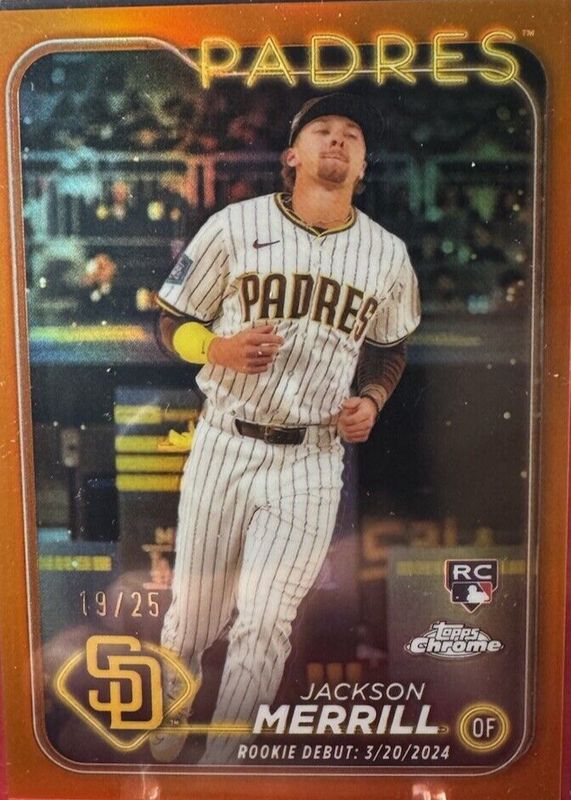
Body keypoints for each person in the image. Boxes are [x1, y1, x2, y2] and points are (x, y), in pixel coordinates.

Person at [150, 93, 421, 764]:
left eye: (351, 134)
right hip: (225, 440)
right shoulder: (234, 225)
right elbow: (169, 321)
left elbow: (389, 348)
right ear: (292, 156)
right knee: (195, 616)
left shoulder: (386, 254)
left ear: (363, 164)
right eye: (322, 129)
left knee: (267, 618)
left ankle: (222, 765)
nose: (338, 139)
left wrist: (372, 399)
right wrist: (216, 348)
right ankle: (168, 719)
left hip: (311, 456)